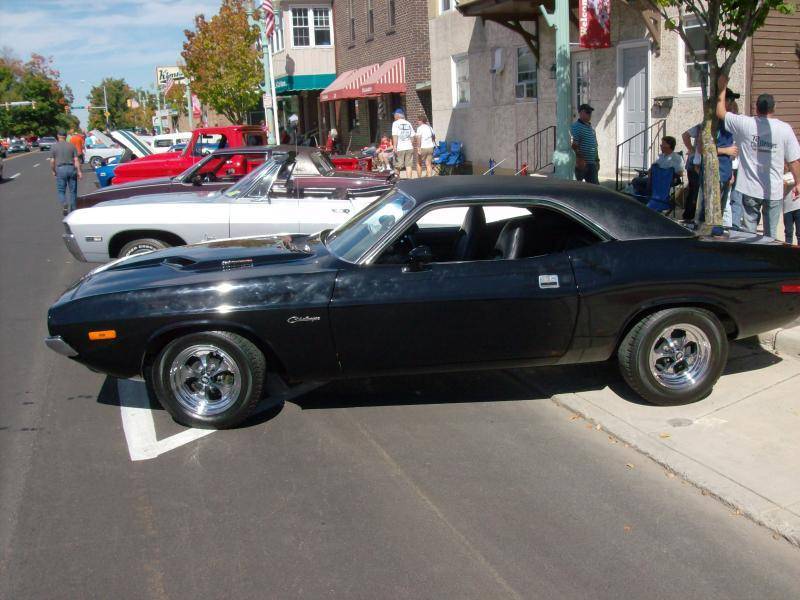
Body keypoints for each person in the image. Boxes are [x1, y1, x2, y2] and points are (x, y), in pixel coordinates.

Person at [716, 74, 800, 238]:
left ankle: (751, 252)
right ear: (773, 108)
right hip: (773, 191)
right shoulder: (784, 129)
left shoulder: (745, 123)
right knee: (770, 235)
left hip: (749, 189)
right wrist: (798, 182)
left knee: (749, 233)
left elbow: (720, 112)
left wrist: (722, 87)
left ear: (756, 108)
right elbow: (794, 161)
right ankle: (768, 252)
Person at [50, 130, 82, 215]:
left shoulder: (54, 146)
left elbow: (52, 161)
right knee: (73, 191)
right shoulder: (71, 146)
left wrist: (53, 171)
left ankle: (64, 203)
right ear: (66, 136)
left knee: (61, 190)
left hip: (60, 169)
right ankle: (73, 210)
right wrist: (79, 171)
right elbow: (76, 160)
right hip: (71, 168)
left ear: (58, 136)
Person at [570, 104, 599, 184]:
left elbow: (595, 146)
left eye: (590, 112)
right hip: (581, 164)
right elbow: (573, 145)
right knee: (577, 186)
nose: (590, 114)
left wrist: (597, 160)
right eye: (588, 112)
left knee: (594, 187)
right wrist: (580, 159)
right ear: (581, 113)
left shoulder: (591, 129)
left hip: (592, 164)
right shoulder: (576, 127)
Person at [392, 108, 415, 178]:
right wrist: (410, 144)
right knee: (408, 165)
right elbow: (412, 136)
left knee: (397, 166)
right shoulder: (408, 123)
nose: (394, 116)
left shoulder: (395, 123)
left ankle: (396, 181)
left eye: (394, 115)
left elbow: (395, 135)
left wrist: (394, 146)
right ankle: (409, 181)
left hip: (400, 147)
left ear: (397, 115)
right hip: (409, 147)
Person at [784, 172, 800, 244]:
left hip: (798, 207)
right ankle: (788, 249)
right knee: (788, 232)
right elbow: (783, 183)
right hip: (787, 208)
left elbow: (786, 182)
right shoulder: (784, 176)